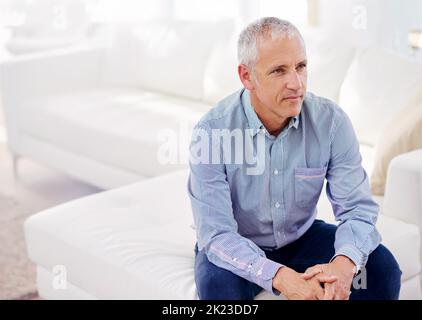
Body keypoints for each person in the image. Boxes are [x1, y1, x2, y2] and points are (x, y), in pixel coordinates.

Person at [187, 17, 401, 300]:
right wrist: (279, 276)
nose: (296, 83)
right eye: (279, 71)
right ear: (247, 76)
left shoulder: (331, 123)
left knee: (381, 270)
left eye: (301, 66)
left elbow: (357, 208)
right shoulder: (211, 132)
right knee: (220, 292)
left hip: (302, 239)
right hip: (237, 244)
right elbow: (215, 234)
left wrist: (344, 263)